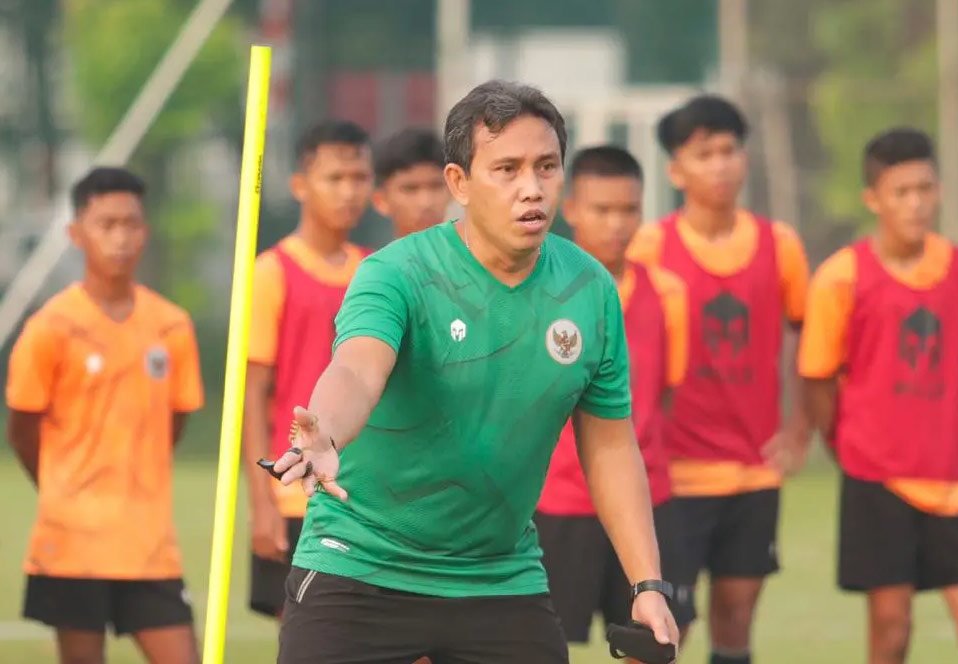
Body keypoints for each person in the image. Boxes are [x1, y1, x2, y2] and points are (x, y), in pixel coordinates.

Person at [269, 79, 679, 663]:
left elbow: (611, 445)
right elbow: (358, 368)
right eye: (506, 169)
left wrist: (647, 586)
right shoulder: (396, 273)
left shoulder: (591, 290)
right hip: (360, 563)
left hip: (499, 578)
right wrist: (326, 433)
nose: (531, 189)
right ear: (459, 183)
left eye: (546, 167)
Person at [799, 128, 958, 664]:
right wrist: (850, 453)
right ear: (873, 199)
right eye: (900, 191)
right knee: (891, 629)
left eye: (924, 189)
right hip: (878, 479)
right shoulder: (841, 276)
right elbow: (817, 377)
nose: (915, 203)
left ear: (938, 191)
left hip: (955, 483)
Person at [627, 94, 811, 664]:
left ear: (745, 159)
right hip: (676, 474)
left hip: (754, 472)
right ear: (675, 169)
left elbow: (810, 337)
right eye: (704, 153)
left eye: (729, 150)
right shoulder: (652, 247)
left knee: (736, 614)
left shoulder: (779, 244)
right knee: (665, 623)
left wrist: (801, 429)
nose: (720, 164)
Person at [6, 167, 204, 664]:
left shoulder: (171, 326)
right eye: (106, 224)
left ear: (146, 230)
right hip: (72, 545)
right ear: (76, 234)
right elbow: (23, 429)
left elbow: (172, 425)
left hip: (149, 546)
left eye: (131, 224)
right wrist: (62, 485)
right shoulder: (50, 327)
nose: (120, 237)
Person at [535, 145, 693, 649]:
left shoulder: (667, 293)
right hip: (557, 504)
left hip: (647, 501)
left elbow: (663, 395)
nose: (616, 224)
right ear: (572, 208)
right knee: (539, 644)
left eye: (628, 210)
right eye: (602, 210)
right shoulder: (538, 291)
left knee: (655, 643)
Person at [242, 120, 374, 620]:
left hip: (365, 494)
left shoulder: (375, 270)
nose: (349, 191)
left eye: (360, 177)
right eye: (334, 178)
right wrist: (261, 504)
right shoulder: (272, 273)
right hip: (298, 496)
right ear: (300, 185)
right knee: (307, 641)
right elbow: (252, 398)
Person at [372, 127, 450, 238]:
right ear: (381, 201)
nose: (426, 203)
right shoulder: (365, 256)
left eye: (436, 186)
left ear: (453, 190)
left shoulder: (473, 254)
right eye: (410, 189)